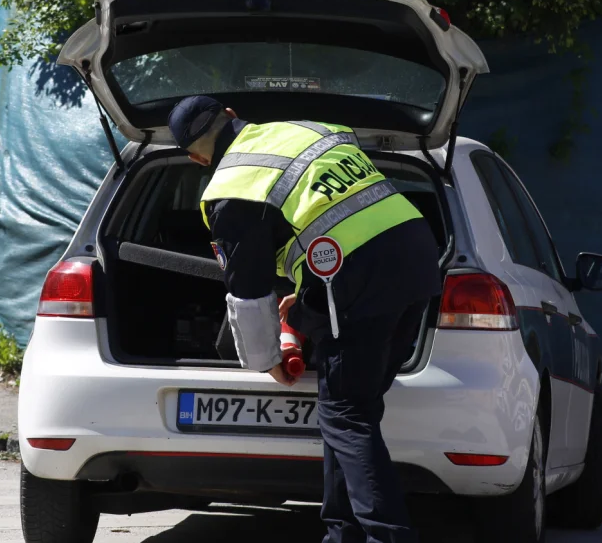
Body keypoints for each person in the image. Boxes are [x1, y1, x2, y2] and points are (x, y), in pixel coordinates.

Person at [169, 95, 442, 543]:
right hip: (417, 259)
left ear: (197, 156)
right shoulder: (309, 130)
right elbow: (342, 214)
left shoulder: (232, 187)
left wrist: (267, 357)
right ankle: (341, 533)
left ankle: (388, 536)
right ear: (232, 115)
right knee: (353, 408)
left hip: (360, 282)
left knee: (346, 415)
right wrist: (310, 293)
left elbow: (249, 290)